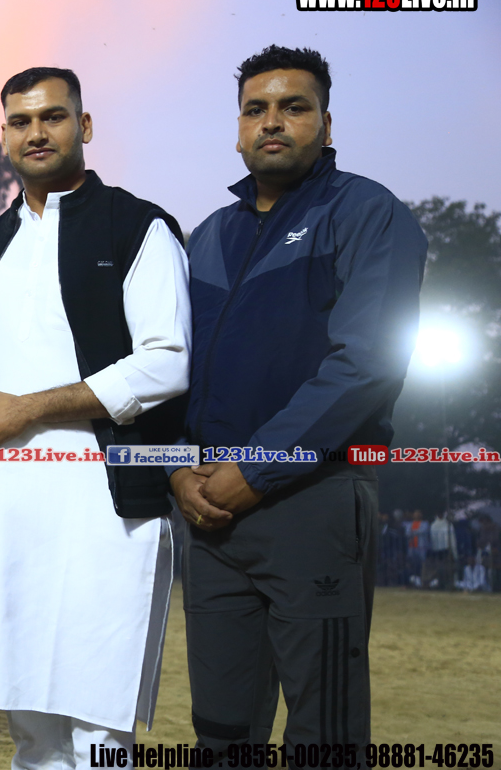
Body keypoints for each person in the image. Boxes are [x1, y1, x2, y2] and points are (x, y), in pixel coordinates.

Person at [172, 46, 427, 751]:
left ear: (327, 124)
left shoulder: (368, 212)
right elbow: (173, 371)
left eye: (294, 106)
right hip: (210, 512)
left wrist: (255, 470)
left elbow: (368, 364)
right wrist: (176, 470)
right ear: (238, 129)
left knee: (324, 736)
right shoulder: (208, 237)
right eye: (255, 109)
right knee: (220, 733)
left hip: (313, 498)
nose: (272, 121)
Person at [0, 66, 191, 766]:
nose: (36, 133)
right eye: (20, 121)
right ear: (4, 137)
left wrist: (30, 409)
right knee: (29, 723)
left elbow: (167, 362)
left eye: (52, 117)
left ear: (84, 127)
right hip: (9, 505)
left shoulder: (137, 226)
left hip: (108, 507)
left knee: (98, 722)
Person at [427, 511, 458, 589]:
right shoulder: (433, 525)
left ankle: (448, 583)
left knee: (447, 567)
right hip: (437, 550)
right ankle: (439, 583)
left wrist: (452, 549)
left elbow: (452, 538)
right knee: (439, 568)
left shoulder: (448, 524)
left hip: (446, 549)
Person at [407, 510, 431, 587]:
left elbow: (423, 531)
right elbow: (407, 532)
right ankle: (414, 579)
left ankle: (423, 579)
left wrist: (413, 532)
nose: (417, 516)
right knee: (412, 563)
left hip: (421, 547)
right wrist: (416, 532)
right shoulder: (409, 524)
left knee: (423, 563)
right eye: (415, 514)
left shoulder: (425, 523)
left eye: (418, 514)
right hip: (412, 547)